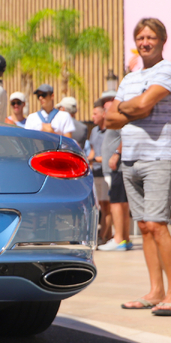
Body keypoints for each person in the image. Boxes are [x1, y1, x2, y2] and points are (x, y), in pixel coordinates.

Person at [105, 18, 171, 315]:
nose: (146, 42)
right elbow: (109, 118)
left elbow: (142, 105)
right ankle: (156, 291)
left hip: (159, 158)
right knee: (143, 227)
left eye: (151, 37)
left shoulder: (166, 70)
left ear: (162, 41)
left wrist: (128, 107)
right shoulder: (130, 77)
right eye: (141, 37)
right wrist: (135, 107)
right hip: (130, 159)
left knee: (157, 226)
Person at [98, 91, 133, 252]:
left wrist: (117, 154)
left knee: (117, 203)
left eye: (109, 100)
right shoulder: (113, 116)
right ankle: (124, 238)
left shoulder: (118, 116)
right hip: (113, 168)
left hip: (117, 167)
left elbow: (126, 136)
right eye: (104, 101)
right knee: (120, 202)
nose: (106, 104)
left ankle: (119, 238)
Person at [86, 99, 112, 244]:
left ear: (103, 114)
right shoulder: (94, 131)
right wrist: (86, 159)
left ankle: (103, 236)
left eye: (95, 113)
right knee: (101, 205)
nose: (92, 117)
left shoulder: (110, 131)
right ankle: (105, 236)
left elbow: (106, 156)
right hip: (95, 172)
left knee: (107, 206)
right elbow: (93, 152)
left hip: (106, 173)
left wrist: (94, 159)